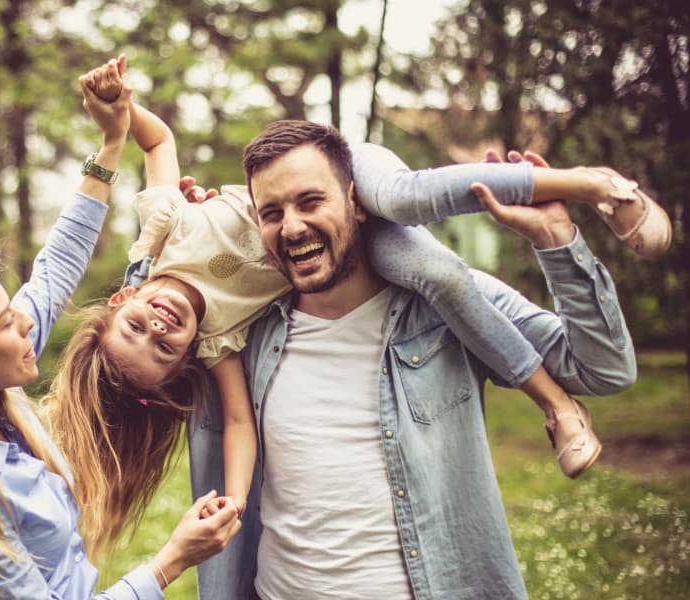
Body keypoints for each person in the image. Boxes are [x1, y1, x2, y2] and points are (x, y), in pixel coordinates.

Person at [52, 55, 666, 538]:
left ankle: (593, 184)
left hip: (338, 163)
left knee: (400, 198)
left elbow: (157, 147)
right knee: (439, 273)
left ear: (119, 303)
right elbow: (238, 420)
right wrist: (235, 499)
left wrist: (121, 113)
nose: (159, 327)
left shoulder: (163, 229)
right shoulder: (224, 340)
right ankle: (555, 401)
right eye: (162, 349)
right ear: (185, 359)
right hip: (350, 232)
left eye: (137, 328)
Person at [183, 121, 644, 599]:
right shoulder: (248, 335)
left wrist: (555, 239)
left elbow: (604, 369)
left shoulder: (452, 308)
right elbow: (141, 351)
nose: (292, 226)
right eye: (272, 212)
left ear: (356, 202)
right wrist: (176, 243)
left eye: (311, 201)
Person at [0, 71, 240, 600]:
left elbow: (57, 264)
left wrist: (110, 143)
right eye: (5, 321)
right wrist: (172, 559)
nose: (27, 322)